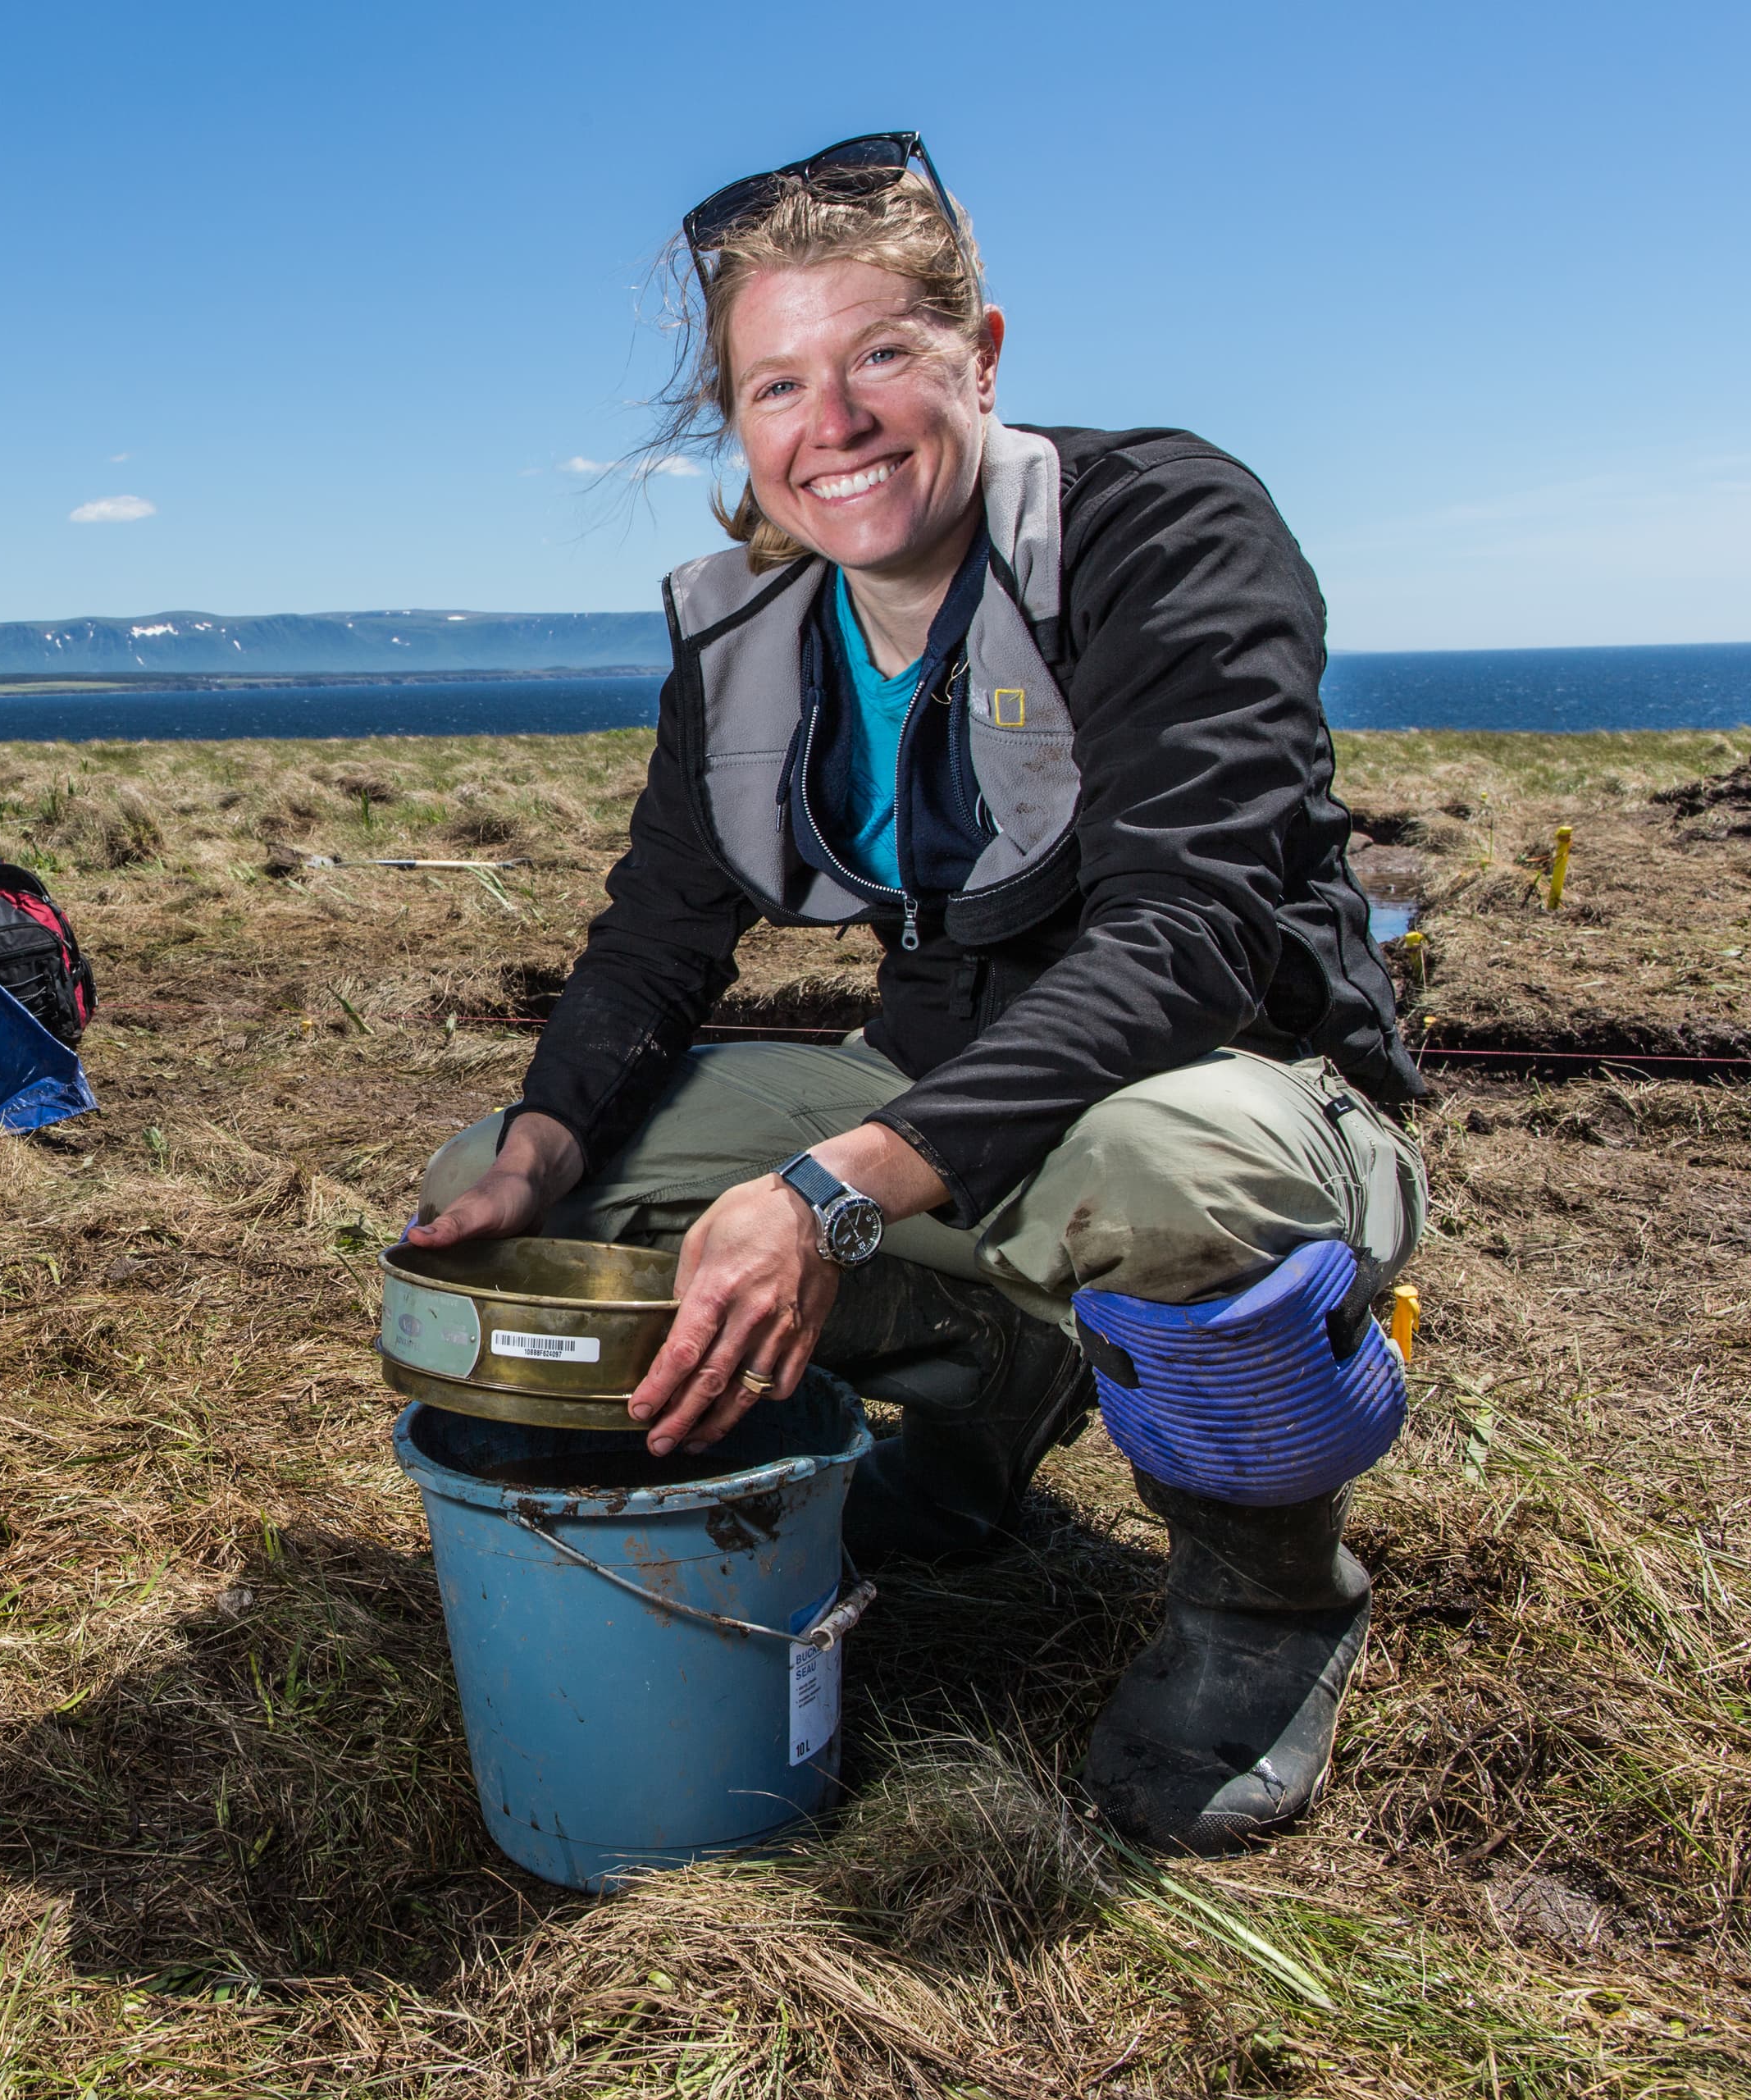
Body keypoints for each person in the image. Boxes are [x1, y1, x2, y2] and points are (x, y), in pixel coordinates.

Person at [409, 134, 1425, 1856]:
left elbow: (1188, 937)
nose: (838, 421)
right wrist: (542, 1135)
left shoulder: (1163, 530)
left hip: (1240, 1100)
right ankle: (971, 1422)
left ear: (985, 354)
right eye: (779, 381)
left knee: (1160, 1173)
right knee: (518, 1188)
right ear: (737, 422)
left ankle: (1270, 1600)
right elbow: (660, 932)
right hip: (953, 1108)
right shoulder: (755, 637)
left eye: (883, 355)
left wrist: (832, 1188)